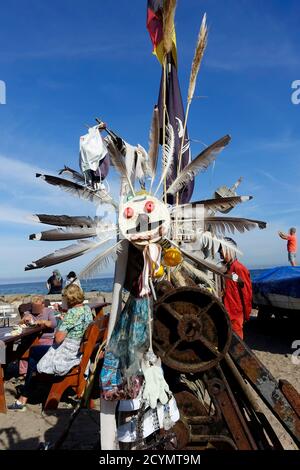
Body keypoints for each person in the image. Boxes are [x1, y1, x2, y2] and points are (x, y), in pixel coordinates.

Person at [8, 284, 93, 411]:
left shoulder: (72, 314)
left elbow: (58, 339)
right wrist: (65, 313)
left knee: (34, 352)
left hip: (66, 354)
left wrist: (63, 321)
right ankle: (31, 390)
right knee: (36, 353)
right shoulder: (86, 309)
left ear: (69, 299)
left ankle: (25, 396)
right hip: (77, 351)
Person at [219, 238, 252, 340]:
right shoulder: (227, 269)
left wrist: (246, 314)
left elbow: (246, 294)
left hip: (235, 313)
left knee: (236, 342)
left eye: (222, 252)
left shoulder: (238, 268)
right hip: (228, 311)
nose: (220, 254)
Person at [18, 295, 57, 377]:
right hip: (32, 337)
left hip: (46, 338)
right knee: (23, 347)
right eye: (33, 306)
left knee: (35, 347)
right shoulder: (29, 312)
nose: (35, 308)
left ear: (43, 305)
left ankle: (39, 371)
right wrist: (24, 319)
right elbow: (20, 323)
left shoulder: (48, 311)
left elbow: (53, 324)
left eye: (37, 306)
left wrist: (43, 321)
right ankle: (24, 372)